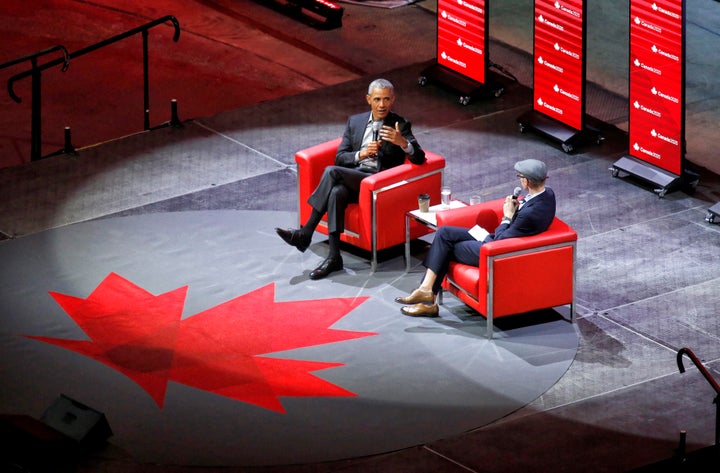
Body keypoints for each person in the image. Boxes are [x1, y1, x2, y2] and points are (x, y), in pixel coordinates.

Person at [276, 78, 425, 279]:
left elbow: (420, 157)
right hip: (356, 175)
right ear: (368, 99)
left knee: (331, 172)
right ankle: (334, 257)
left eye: (387, 99)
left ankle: (305, 233)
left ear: (393, 100)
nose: (382, 105)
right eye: (378, 99)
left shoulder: (400, 124)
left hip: (378, 183)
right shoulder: (355, 122)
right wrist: (361, 155)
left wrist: (403, 143)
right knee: (337, 191)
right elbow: (341, 157)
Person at [395, 159, 556, 317]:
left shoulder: (529, 214)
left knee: (446, 247)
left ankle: (428, 301)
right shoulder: (548, 194)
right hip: (495, 238)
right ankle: (426, 290)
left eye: (520, 176)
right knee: (444, 233)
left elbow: (501, 240)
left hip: (494, 249)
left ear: (526, 181)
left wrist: (507, 216)